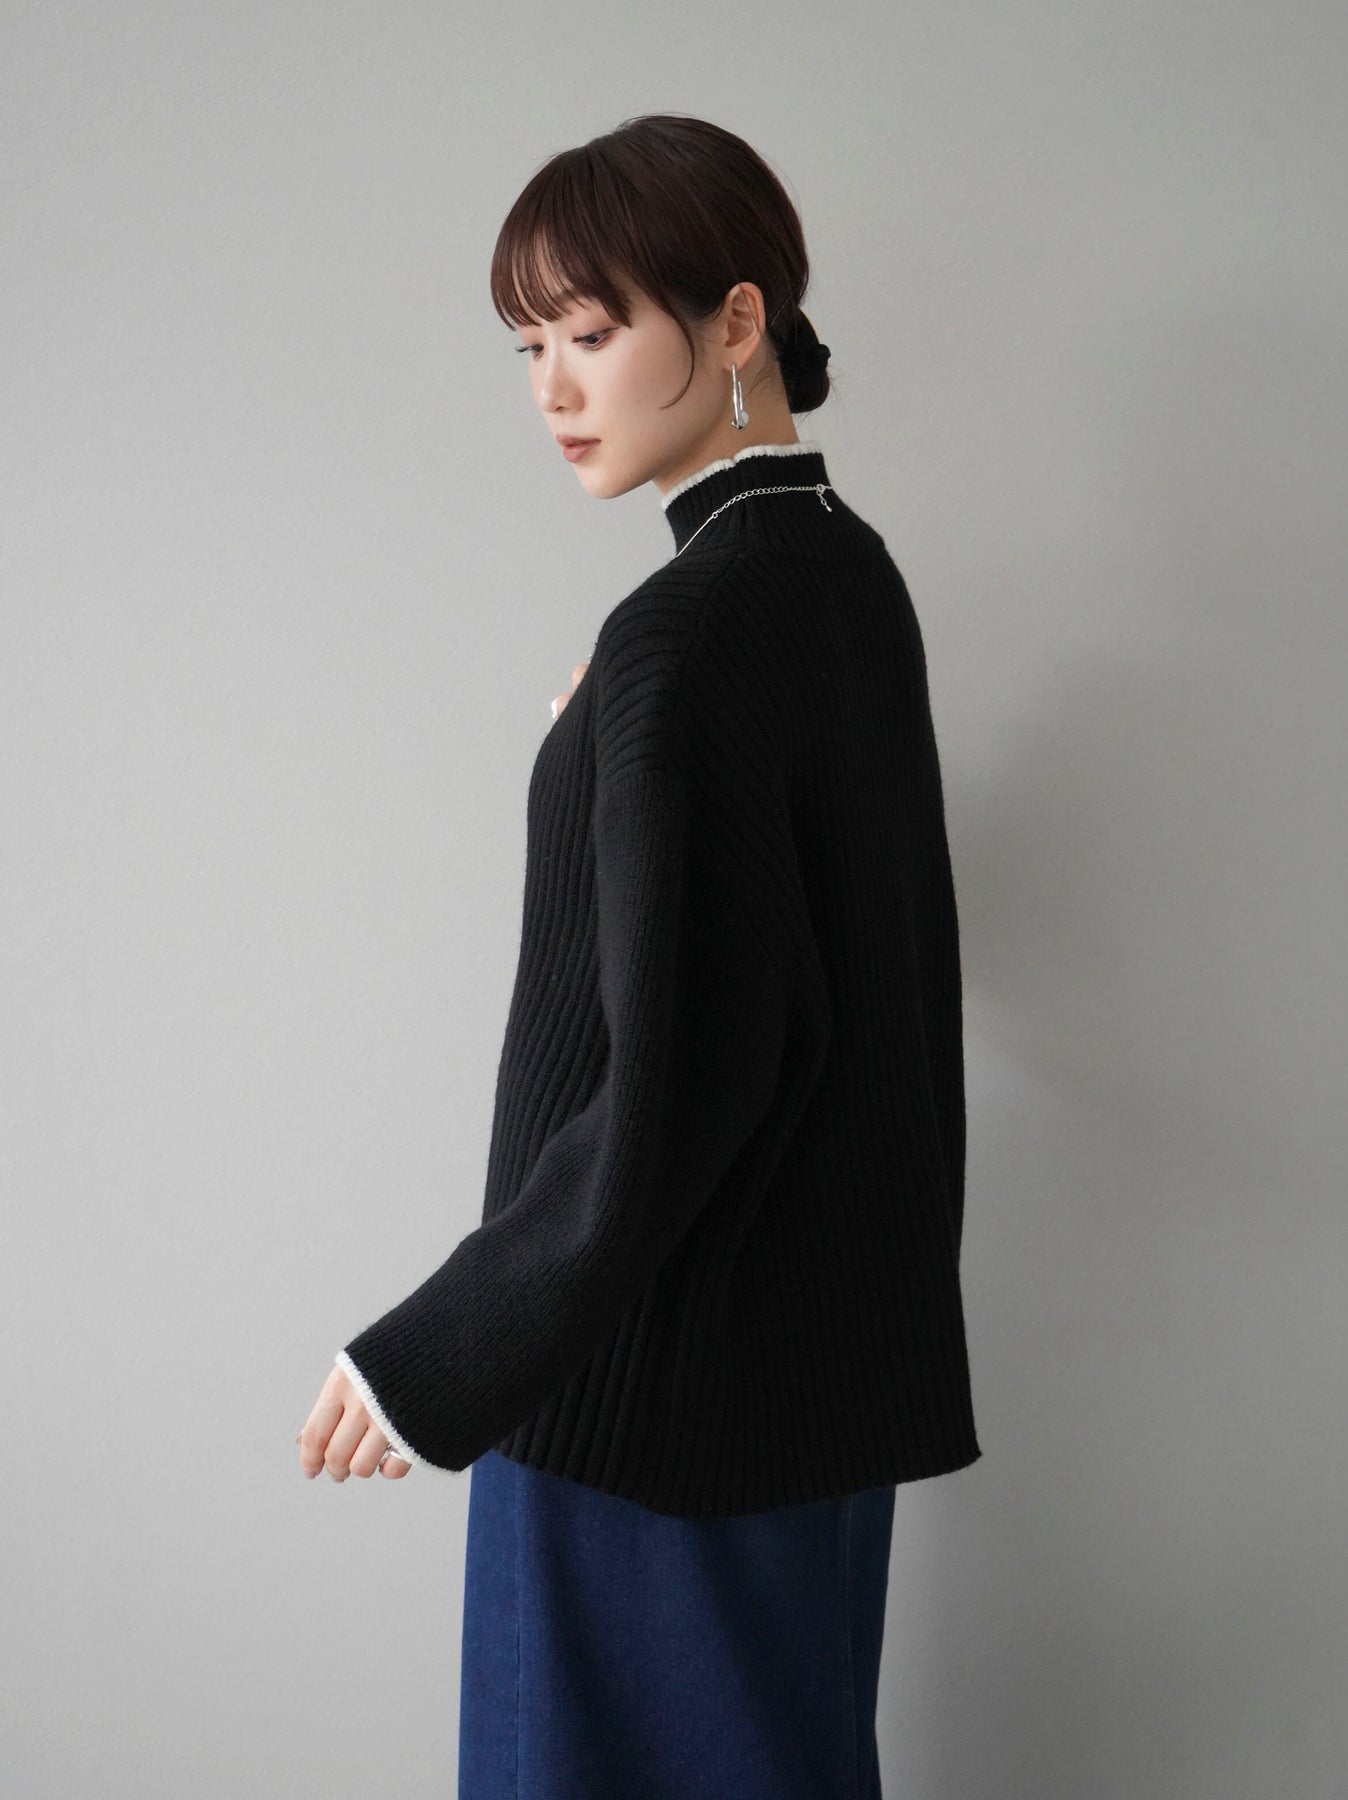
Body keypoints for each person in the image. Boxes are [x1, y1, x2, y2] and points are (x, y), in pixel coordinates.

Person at [298, 112, 980, 1797]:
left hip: (646, 1394)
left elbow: (690, 1064)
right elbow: (831, 963)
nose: (553, 387)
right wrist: (609, 753)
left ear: (737, 321)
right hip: (810, 1391)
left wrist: (440, 1354)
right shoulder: (846, 578)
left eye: (592, 333)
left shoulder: (686, 634)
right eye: (529, 345)